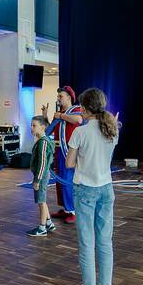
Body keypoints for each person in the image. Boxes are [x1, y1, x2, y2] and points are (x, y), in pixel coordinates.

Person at [67, 88, 119, 285]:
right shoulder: (112, 130)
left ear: (85, 108)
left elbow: (69, 163)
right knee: (105, 241)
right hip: (106, 189)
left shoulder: (80, 132)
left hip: (85, 190)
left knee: (86, 241)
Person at [42, 86, 84, 224]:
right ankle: (66, 209)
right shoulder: (60, 113)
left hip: (69, 151)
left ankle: (72, 211)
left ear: (69, 97)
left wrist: (61, 116)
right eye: (58, 96)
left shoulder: (76, 110)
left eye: (61, 96)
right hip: (59, 151)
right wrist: (45, 116)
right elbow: (49, 130)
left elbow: (78, 120)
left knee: (67, 180)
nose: (58, 98)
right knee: (60, 181)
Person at [27, 116, 56, 237]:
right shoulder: (42, 141)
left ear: (42, 127)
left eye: (34, 126)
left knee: (41, 202)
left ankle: (42, 228)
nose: (31, 128)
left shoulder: (43, 142)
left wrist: (37, 180)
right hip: (41, 175)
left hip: (41, 176)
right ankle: (49, 223)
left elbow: (42, 163)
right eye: (31, 125)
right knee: (42, 200)